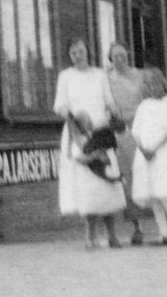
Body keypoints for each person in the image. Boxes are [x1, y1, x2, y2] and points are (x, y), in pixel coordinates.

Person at [53, 36, 128, 249]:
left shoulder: (99, 75)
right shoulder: (65, 76)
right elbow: (60, 105)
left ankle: (112, 235)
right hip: (79, 132)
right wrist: (74, 118)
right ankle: (90, 236)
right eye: (73, 52)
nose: (78, 55)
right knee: (88, 185)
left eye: (81, 51)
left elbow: (109, 102)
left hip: (101, 132)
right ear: (69, 55)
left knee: (107, 180)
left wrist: (114, 116)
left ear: (88, 51)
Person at [130, 68, 167, 245]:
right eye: (148, 84)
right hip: (145, 154)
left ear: (163, 83)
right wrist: (143, 149)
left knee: (165, 192)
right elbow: (135, 131)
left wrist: (155, 147)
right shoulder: (143, 105)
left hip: (164, 152)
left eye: (155, 83)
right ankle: (163, 232)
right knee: (154, 194)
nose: (152, 87)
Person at [106, 42, 148, 245]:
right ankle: (137, 227)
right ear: (110, 59)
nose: (119, 59)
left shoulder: (140, 76)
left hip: (140, 128)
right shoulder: (107, 79)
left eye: (122, 55)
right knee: (127, 178)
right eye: (115, 56)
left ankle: (166, 223)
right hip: (120, 131)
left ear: (128, 55)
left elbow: (148, 101)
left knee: (146, 173)